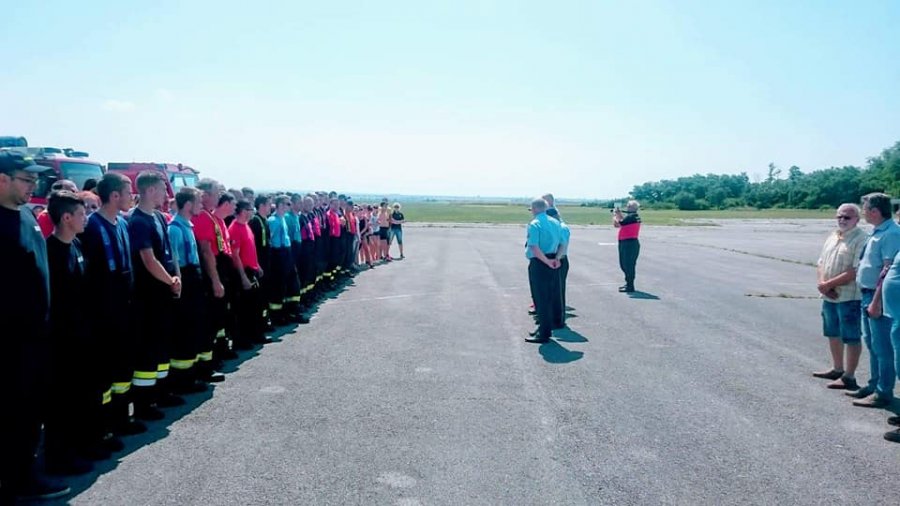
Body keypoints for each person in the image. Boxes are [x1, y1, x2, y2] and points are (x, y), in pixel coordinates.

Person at [0, 151, 71, 501]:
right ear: (2, 179)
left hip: (35, 339)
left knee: (29, 414)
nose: (34, 186)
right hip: (10, 342)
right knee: (12, 415)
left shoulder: (26, 217)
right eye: (26, 180)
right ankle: (15, 483)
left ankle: (23, 475)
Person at [82, 173, 145, 435]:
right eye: (129, 192)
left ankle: (121, 420)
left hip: (124, 309)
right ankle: (103, 428)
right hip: (103, 315)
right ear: (115, 195)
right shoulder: (92, 227)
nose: (133, 196)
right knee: (104, 374)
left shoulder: (121, 223)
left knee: (122, 368)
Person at [43, 191, 98, 475]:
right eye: (81, 214)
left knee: (79, 396)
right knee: (61, 401)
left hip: (81, 335)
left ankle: (78, 447)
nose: (86, 218)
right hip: (61, 341)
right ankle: (58, 458)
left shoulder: (76, 245)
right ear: (66, 217)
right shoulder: (50, 252)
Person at [128, 170, 183, 419]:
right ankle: (144, 404)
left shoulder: (159, 217)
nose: (166, 194)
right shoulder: (137, 221)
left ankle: (161, 393)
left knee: (163, 344)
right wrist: (170, 280)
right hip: (148, 294)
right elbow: (148, 260)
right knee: (149, 348)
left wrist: (177, 277)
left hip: (165, 290)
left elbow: (169, 253)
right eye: (162, 189)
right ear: (150, 191)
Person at [848, 193, 900, 408]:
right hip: (868, 294)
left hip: (876, 297)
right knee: (872, 344)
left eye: (865, 208)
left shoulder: (890, 234)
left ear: (875, 211)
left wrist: (876, 301)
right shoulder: (878, 231)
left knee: (883, 347)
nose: (863, 212)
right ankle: (874, 384)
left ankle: (883, 392)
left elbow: (886, 270)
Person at [811, 204, 867, 390]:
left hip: (849, 297)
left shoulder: (860, 239)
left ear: (857, 220)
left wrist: (829, 285)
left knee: (851, 336)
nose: (842, 220)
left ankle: (849, 376)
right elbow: (820, 262)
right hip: (829, 295)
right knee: (832, 333)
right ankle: (837, 369)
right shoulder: (833, 236)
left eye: (847, 217)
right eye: (839, 217)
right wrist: (823, 285)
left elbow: (855, 270)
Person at [167, 187, 214, 394]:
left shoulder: (187, 226)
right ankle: (182, 381)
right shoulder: (175, 229)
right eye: (198, 202)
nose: (201, 206)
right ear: (188, 205)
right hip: (186, 284)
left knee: (195, 329)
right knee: (185, 332)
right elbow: (175, 261)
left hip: (195, 281)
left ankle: (193, 375)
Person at [229, 200, 268, 347]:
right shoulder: (235, 228)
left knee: (254, 306)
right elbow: (235, 255)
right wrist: (243, 277)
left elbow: (251, 248)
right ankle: (242, 339)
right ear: (244, 211)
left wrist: (257, 265)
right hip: (243, 272)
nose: (252, 212)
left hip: (252, 270)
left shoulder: (246, 226)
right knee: (243, 309)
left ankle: (255, 334)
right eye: (250, 209)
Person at [525, 197, 562, 343]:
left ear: (534, 209)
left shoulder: (534, 224)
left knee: (540, 297)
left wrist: (546, 261)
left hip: (540, 262)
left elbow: (533, 246)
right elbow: (561, 243)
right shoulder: (555, 222)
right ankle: (544, 327)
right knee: (549, 296)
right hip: (553, 259)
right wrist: (556, 258)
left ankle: (544, 332)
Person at [266, 195, 293, 324]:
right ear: (281, 205)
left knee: (284, 285)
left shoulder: (282, 219)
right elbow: (269, 240)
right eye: (287, 204)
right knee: (277, 286)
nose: (289, 206)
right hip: (277, 254)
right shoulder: (273, 220)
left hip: (285, 253)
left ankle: (283, 313)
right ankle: (276, 316)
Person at [547, 207, 571, 322]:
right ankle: (552, 315)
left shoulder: (561, 227)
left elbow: (563, 245)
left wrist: (556, 259)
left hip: (559, 259)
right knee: (552, 289)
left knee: (558, 291)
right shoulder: (557, 226)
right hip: (556, 259)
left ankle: (558, 318)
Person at [613, 200, 641, 293]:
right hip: (627, 242)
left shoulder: (632, 216)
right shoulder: (632, 217)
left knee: (628, 265)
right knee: (625, 264)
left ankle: (630, 285)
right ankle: (628, 283)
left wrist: (616, 215)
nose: (627, 207)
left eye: (629, 206)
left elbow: (618, 223)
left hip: (629, 243)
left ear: (633, 207)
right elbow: (622, 222)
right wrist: (619, 215)